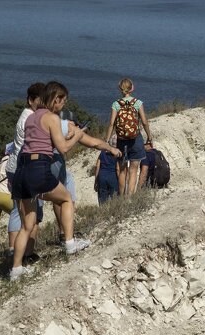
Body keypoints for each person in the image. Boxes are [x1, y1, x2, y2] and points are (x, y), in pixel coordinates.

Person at [9, 81, 121, 280]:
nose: (63, 105)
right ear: (55, 99)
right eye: (62, 101)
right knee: (66, 199)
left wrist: (69, 134)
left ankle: (16, 269)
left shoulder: (30, 117)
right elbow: (63, 148)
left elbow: (40, 141)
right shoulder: (51, 117)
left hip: (22, 170)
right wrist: (77, 134)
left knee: (27, 224)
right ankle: (70, 243)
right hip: (38, 168)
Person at [6, 83, 47, 258]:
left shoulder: (26, 116)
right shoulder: (31, 119)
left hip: (15, 167)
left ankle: (15, 252)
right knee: (31, 216)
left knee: (20, 213)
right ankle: (24, 255)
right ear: (31, 100)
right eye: (41, 101)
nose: (44, 105)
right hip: (25, 168)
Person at [106, 77, 151, 197]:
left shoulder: (116, 104)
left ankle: (122, 197)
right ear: (132, 88)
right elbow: (145, 122)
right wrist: (149, 137)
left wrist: (106, 140)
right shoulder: (138, 103)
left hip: (121, 141)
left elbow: (111, 123)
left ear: (120, 89)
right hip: (135, 140)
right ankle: (130, 198)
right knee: (133, 170)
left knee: (122, 170)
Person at [93, 135, 121, 203]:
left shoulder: (103, 152)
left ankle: (102, 212)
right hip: (113, 177)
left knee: (102, 199)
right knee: (114, 199)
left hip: (102, 176)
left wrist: (96, 180)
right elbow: (117, 168)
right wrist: (120, 181)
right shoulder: (117, 153)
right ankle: (112, 213)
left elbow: (97, 166)